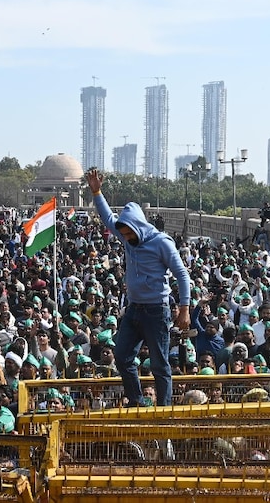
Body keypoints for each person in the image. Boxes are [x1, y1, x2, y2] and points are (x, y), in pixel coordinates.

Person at [86, 168, 191, 407]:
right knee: (122, 357)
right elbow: (108, 218)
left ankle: (163, 408)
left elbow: (182, 274)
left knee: (159, 364)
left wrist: (184, 309)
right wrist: (97, 192)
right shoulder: (125, 235)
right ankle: (137, 401)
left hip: (156, 310)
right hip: (134, 308)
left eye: (129, 233)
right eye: (122, 234)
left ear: (138, 226)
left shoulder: (161, 242)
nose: (126, 238)